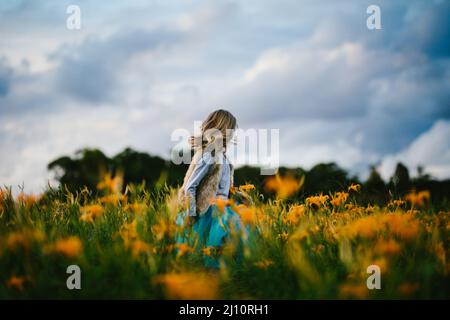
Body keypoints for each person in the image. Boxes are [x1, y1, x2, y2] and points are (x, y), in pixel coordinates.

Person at [176, 109, 245, 267]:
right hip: (209, 214)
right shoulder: (209, 155)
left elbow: (224, 188)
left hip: (224, 209)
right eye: (232, 130)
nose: (234, 134)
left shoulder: (224, 157)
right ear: (224, 130)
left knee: (227, 251)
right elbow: (190, 187)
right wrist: (191, 214)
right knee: (211, 253)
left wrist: (239, 196)